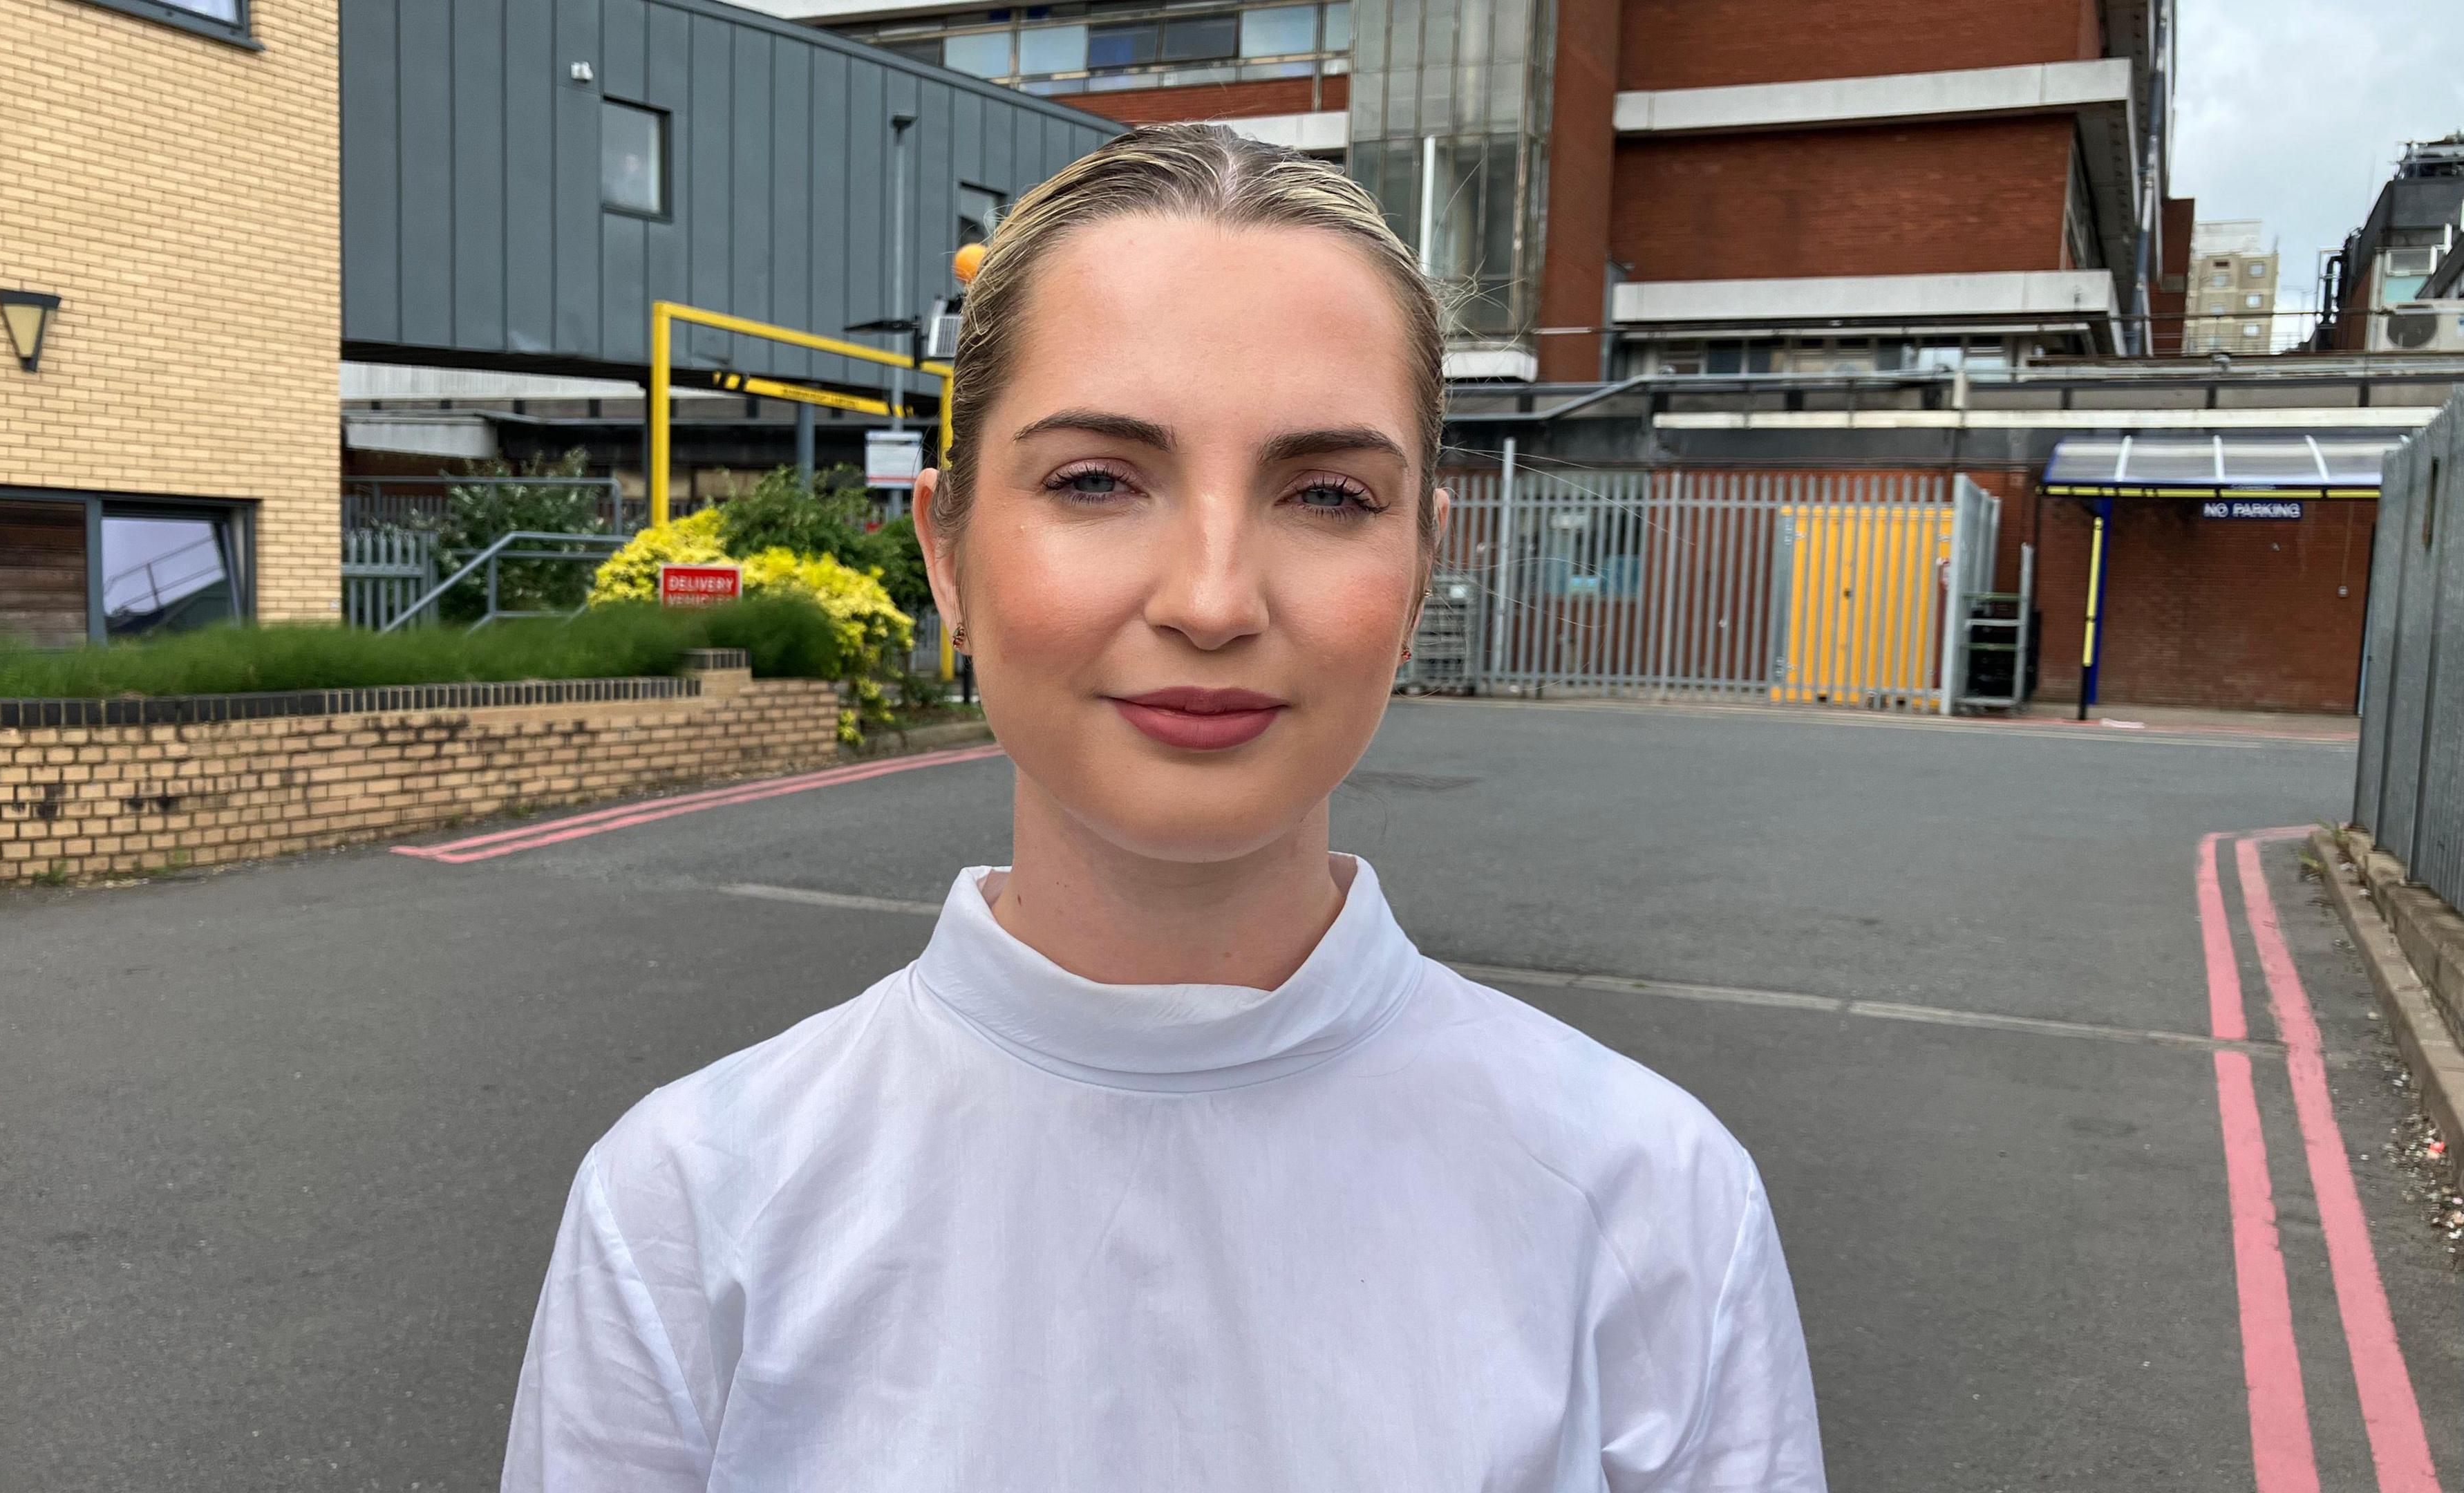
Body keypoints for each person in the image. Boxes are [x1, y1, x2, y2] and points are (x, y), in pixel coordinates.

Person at [500, 124, 1825, 1492]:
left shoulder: (1653, 1201)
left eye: (1325, 493)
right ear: (946, 553)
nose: (1210, 598)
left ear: (1425, 557)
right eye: (1096, 480)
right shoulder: (687, 1208)